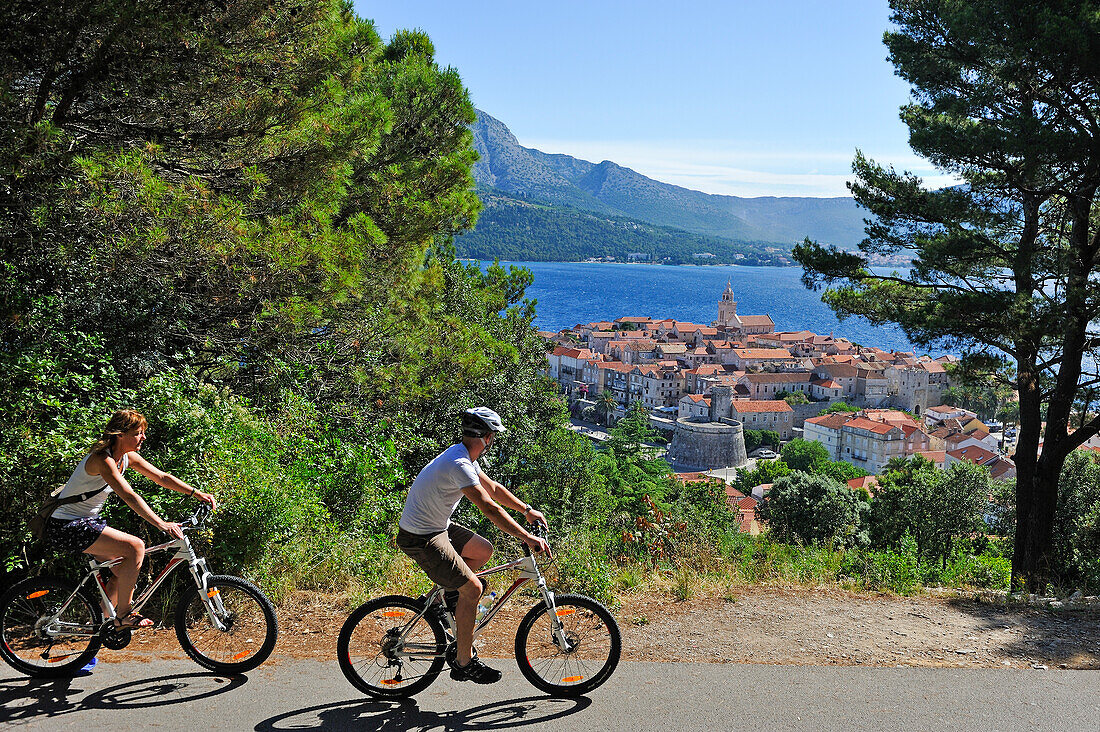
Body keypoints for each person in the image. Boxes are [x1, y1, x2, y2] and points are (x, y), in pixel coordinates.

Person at [396, 407, 550, 684]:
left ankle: (442, 598)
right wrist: (527, 537)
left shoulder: (463, 455)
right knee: (473, 589)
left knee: (483, 550)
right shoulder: (460, 464)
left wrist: (526, 509)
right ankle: (463, 662)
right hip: (421, 537)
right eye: (493, 437)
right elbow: (489, 508)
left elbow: (493, 489)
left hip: (434, 527)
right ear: (488, 438)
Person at [45, 409, 217, 628]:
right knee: (136, 547)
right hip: (67, 526)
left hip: (85, 523)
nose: (143, 437)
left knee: (122, 575)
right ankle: (124, 615)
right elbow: (128, 495)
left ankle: (98, 626)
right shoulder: (102, 460)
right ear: (120, 435)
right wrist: (161, 524)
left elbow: (162, 477)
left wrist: (196, 493)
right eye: (138, 432)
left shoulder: (127, 458)